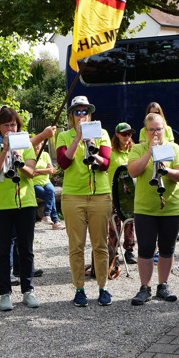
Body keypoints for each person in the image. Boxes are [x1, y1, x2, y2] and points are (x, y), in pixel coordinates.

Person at [56, 95, 113, 307]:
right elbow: (63, 162)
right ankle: (79, 289)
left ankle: (103, 287)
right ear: (71, 115)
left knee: (100, 245)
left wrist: (93, 147)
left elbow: (106, 164)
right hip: (73, 196)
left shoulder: (102, 134)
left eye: (85, 111)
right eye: (77, 112)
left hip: (99, 195)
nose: (82, 115)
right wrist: (78, 139)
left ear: (90, 114)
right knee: (76, 246)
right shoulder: (64, 136)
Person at [128, 112, 179, 305]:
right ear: (146, 131)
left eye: (158, 129)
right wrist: (149, 153)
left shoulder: (174, 148)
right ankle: (145, 287)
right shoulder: (137, 148)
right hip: (145, 208)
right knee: (145, 248)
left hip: (170, 206)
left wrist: (165, 170)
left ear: (165, 129)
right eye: (151, 130)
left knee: (167, 248)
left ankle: (163, 285)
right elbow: (133, 171)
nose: (155, 133)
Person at [0, 106, 40, 311]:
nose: (10, 128)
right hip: (1, 205)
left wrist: (18, 160)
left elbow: (31, 173)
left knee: (26, 249)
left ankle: (28, 290)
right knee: (2, 251)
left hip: (25, 203)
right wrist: (5, 150)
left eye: (13, 125)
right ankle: (5, 293)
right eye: (6, 125)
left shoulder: (26, 145)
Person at [110, 122, 137, 264]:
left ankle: (129, 250)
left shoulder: (134, 150)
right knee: (114, 223)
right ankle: (113, 251)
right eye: (124, 134)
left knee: (130, 222)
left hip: (130, 194)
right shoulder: (110, 151)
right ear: (117, 135)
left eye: (129, 134)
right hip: (114, 193)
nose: (127, 137)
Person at [32, 148, 63, 229]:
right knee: (49, 195)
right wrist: (44, 171)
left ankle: (47, 216)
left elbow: (51, 170)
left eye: (39, 144)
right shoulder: (29, 155)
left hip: (46, 181)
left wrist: (38, 170)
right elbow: (30, 173)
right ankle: (54, 221)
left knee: (51, 191)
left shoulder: (45, 154)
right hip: (34, 183)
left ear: (41, 144)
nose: (37, 147)